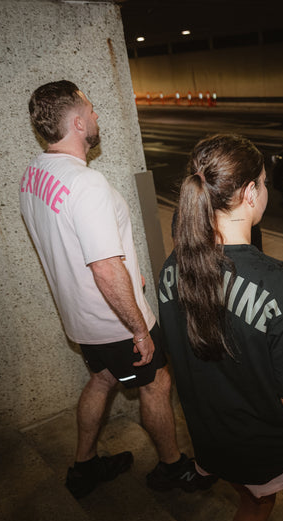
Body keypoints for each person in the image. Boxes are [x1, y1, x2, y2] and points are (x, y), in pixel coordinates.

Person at [20, 80, 215, 499]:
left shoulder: (34, 174)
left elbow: (71, 247)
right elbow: (105, 268)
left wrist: (124, 276)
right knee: (157, 383)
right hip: (115, 321)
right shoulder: (85, 184)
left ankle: (84, 467)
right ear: (77, 123)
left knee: (102, 379)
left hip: (81, 318)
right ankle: (171, 467)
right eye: (90, 110)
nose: (96, 116)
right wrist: (139, 329)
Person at [157, 134, 283, 521]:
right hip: (263, 444)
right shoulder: (279, 283)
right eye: (264, 182)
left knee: (255, 504)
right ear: (250, 193)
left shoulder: (173, 267)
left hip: (212, 439)